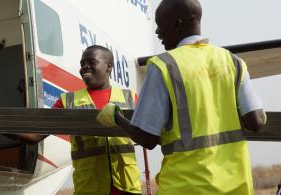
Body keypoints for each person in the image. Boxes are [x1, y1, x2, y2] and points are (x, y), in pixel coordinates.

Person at [97, 0, 267, 194]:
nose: (157, 33)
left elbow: (147, 138)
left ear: (177, 24)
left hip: (185, 188)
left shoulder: (164, 65)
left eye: (160, 24)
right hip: (236, 187)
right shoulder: (233, 62)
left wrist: (117, 117)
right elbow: (256, 121)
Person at [54, 45, 142, 195]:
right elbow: (36, 134)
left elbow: (149, 134)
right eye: (82, 64)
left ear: (109, 67)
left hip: (126, 188)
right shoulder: (67, 101)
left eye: (91, 62)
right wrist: (2, 126)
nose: (84, 67)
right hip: (89, 188)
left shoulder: (130, 98)